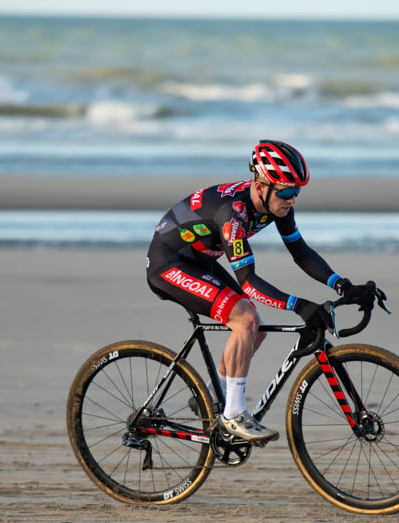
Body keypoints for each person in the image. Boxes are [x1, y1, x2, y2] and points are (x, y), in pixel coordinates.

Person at [145, 139, 375, 444]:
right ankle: (233, 415)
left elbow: (301, 252)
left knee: (255, 329)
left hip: (199, 259)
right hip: (168, 263)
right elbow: (248, 281)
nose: (292, 199)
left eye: (297, 192)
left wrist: (342, 284)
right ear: (261, 185)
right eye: (287, 192)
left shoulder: (275, 204)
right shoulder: (233, 213)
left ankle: (212, 397)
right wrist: (298, 305)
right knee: (246, 319)